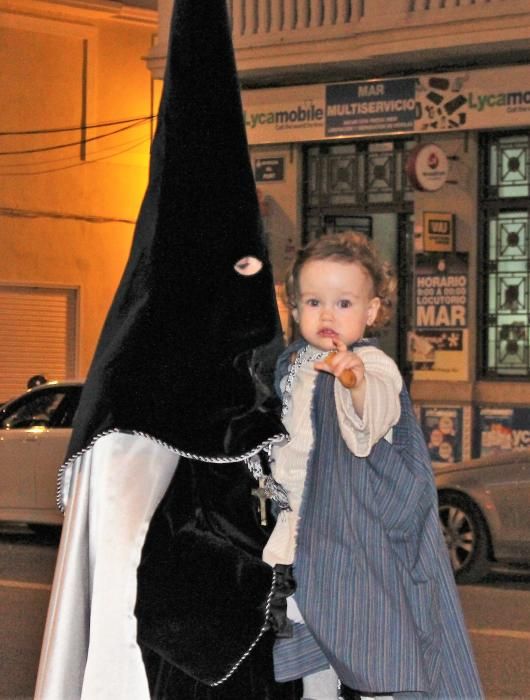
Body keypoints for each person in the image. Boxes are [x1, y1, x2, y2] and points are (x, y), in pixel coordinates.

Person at [263, 232, 484, 699]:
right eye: (313, 300)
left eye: (343, 302)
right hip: (303, 555)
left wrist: (355, 384)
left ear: (371, 311)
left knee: (382, 667)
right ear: (295, 307)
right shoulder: (291, 366)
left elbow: (375, 410)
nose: (326, 314)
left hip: (360, 556)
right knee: (314, 675)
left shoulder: (371, 364)